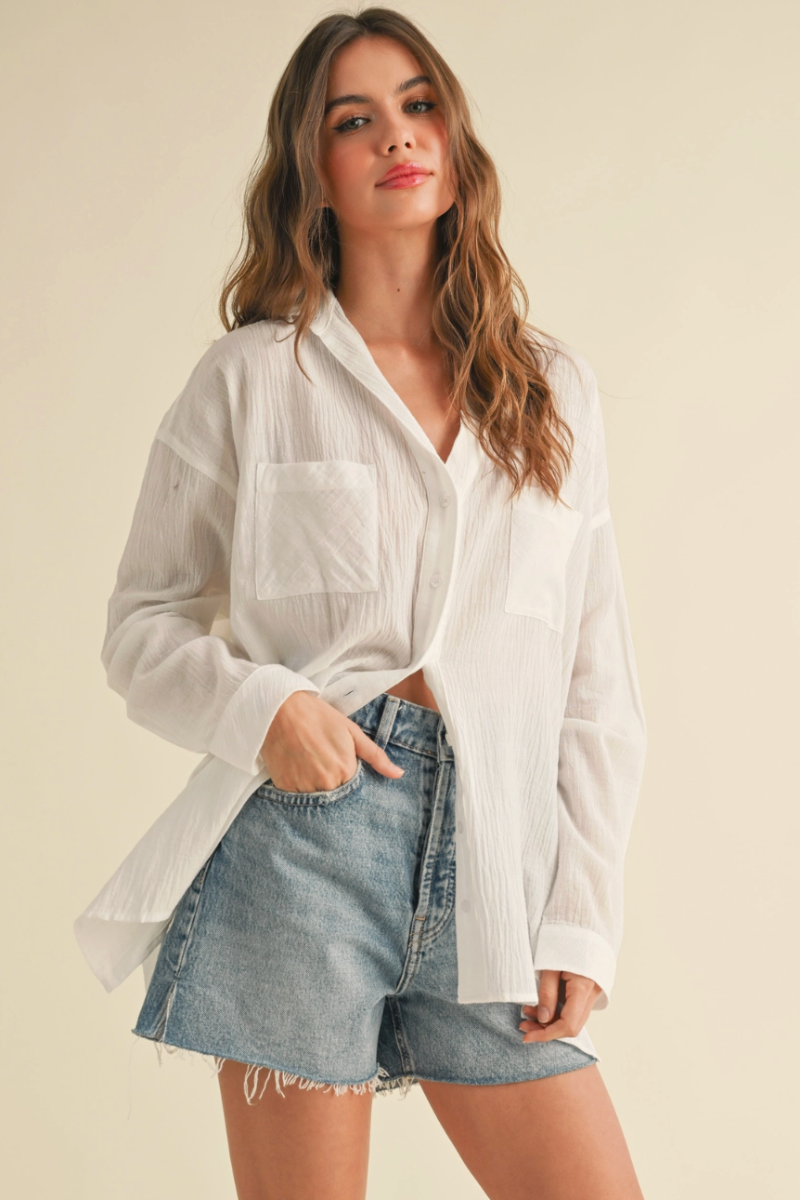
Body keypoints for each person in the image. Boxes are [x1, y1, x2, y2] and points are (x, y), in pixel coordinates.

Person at [74, 7, 648, 1198]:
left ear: (454, 143)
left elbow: (594, 684)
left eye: (418, 105)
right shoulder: (250, 378)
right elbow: (142, 627)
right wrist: (267, 711)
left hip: (496, 863)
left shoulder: (552, 392)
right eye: (355, 120)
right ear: (313, 169)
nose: (396, 135)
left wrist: (579, 919)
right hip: (301, 851)